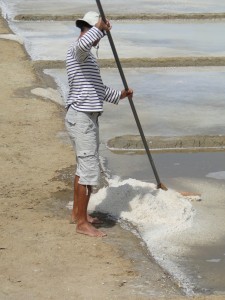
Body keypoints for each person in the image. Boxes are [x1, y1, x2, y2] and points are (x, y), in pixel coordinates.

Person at [65, 11, 133, 237]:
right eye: (96, 33)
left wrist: (119, 95)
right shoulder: (79, 50)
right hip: (81, 116)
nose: (98, 39)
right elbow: (85, 43)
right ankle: (82, 224)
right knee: (89, 170)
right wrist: (99, 27)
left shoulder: (87, 57)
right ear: (88, 28)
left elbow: (98, 89)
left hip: (87, 116)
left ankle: (78, 213)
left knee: (82, 168)